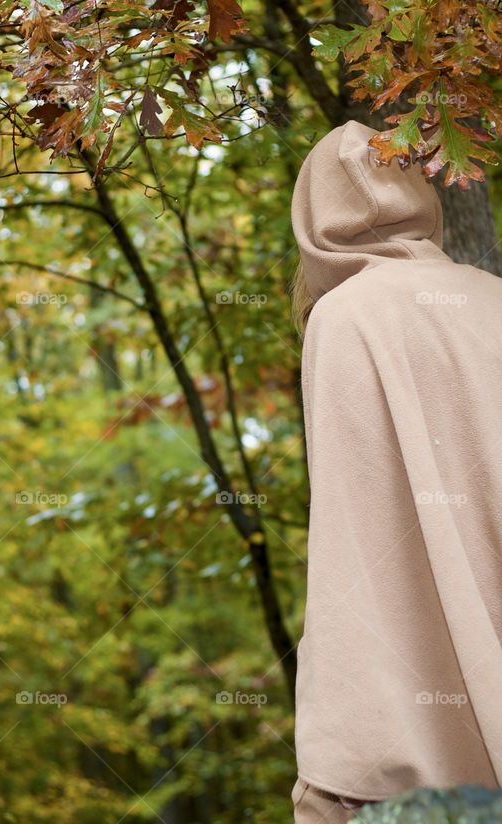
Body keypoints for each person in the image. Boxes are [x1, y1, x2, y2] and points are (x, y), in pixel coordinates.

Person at [289, 120, 502, 823]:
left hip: (404, 774)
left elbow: (352, 546)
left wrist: (331, 770)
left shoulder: (342, 320)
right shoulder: (491, 299)